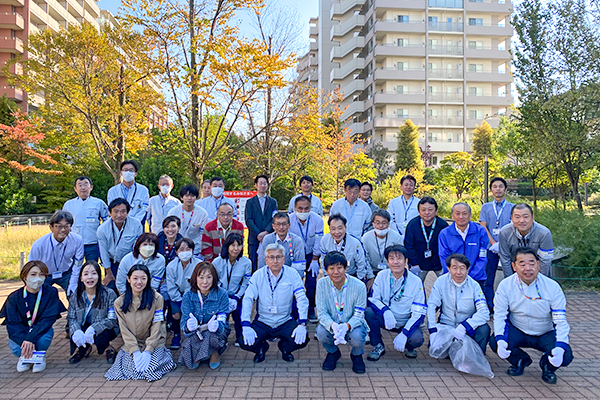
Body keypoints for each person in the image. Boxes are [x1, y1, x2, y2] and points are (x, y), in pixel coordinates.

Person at [490, 247, 573, 384]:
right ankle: (520, 360)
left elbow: (560, 321)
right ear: (514, 266)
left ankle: (547, 366)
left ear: (538, 265)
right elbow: (500, 316)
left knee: (565, 355)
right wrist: (500, 338)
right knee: (495, 341)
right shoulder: (505, 285)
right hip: (519, 329)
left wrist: (560, 346)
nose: (527, 268)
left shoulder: (552, 287)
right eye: (522, 264)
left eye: (532, 263)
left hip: (545, 332)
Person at [238, 243, 310, 363]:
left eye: (278, 257)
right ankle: (261, 348)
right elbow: (248, 299)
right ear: (266, 260)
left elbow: (302, 298)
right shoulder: (258, 275)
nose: (275, 261)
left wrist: (302, 324)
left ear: (284, 259)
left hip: (284, 320)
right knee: (243, 341)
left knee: (302, 339)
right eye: (271, 257)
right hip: (263, 321)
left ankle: (285, 348)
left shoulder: (292, 274)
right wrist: (245, 324)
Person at [105, 265, 176, 382]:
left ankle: (165, 357)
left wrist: (148, 350)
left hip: (155, 341)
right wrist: (135, 351)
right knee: (133, 371)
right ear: (128, 279)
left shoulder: (157, 298)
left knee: (149, 370)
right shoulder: (119, 302)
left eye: (143, 278)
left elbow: (157, 325)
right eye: (135, 278)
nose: (139, 282)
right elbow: (124, 330)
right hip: (133, 343)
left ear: (148, 279)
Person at [0, 261, 66, 373]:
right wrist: (25, 340)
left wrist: (31, 338)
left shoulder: (50, 292)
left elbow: (48, 319)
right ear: (25, 277)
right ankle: (25, 357)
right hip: (21, 331)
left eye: (42, 274)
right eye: (33, 274)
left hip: (40, 329)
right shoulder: (14, 297)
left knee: (44, 338)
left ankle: (39, 357)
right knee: (16, 348)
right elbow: (12, 323)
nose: (38, 278)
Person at [365, 245, 426, 361]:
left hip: (406, 321)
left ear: (406, 261)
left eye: (399, 258)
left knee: (417, 339)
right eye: (391, 258)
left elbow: (420, 313)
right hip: (386, 319)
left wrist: (405, 332)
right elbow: (373, 299)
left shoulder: (416, 281)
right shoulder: (381, 276)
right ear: (387, 262)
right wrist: (385, 311)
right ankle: (378, 345)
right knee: (369, 312)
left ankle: (409, 346)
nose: (395, 262)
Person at [316, 251, 368, 374]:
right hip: (332, 322)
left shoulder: (359, 286)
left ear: (346, 268)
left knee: (357, 337)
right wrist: (332, 325)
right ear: (326, 270)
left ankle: (356, 355)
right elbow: (321, 312)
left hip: (352, 324)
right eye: (331, 268)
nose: (336, 272)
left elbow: (359, 314)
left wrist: (347, 326)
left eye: (339, 268)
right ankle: (333, 352)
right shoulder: (321, 284)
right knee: (321, 333)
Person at [427, 254, 490, 354]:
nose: (458, 272)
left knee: (484, 329)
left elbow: (484, 312)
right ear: (448, 268)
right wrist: (432, 330)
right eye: (454, 268)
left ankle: (476, 356)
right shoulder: (440, 282)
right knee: (438, 350)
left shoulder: (474, 286)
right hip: (446, 325)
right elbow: (431, 305)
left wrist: (465, 326)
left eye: (462, 268)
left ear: (467, 270)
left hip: (467, 328)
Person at [179, 262, 230, 370]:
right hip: (196, 330)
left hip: (214, 331)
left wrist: (218, 325)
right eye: (201, 277)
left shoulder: (222, 294)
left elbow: (223, 318)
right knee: (190, 339)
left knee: (211, 335)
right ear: (195, 278)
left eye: (209, 277)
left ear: (214, 278)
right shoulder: (188, 295)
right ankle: (201, 354)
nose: (205, 282)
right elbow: (183, 322)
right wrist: (188, 326)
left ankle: (214, 353)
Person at [67, 261, 119, 364]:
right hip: (84, 326)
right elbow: (71, 318)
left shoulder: (109, 294)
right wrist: (76, 331)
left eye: (94, 273)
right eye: (86, 274)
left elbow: (112, 319)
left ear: (99, 276)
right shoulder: (75, 296)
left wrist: (94, 328)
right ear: (81, 278)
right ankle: (83, 348)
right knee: (73, 330)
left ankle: (109, 348)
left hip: (104, 328)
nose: (90, 277)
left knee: (101, 335)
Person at [28, 210, 84, 296]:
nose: (63, 230)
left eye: (67, 226)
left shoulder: (77, 240)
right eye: (59, 226)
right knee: (41, 297)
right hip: (45, 275)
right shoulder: (39, 244)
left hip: (66, 273)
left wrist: (73, 284)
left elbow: (78, 264)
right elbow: (30, 266)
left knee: (76, 294)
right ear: (51, 227)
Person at [479, 177, 514, 311]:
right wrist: (493, 243)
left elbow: (513, 226)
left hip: (508, 248)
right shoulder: (486, 207)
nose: (498, 189)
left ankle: (510, 305)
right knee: (488, 278)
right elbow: (483, 226)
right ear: (491, 190)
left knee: (510, 277)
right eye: (495, 186)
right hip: (490, 248)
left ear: (505, 189)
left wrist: (502, 244)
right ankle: (490, 306)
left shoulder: (512, 207)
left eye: (500, 186)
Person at [289, 195, 324, 323]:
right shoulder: (289, 219)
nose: (303, 212)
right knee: (294, 283)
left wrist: (315, 259)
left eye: (306, 208)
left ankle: (310, 310)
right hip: (295, 256)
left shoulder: (317, 219)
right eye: (300, 208)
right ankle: (295, 311)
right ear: (295, 208)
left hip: (311, 255)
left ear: (310, 208)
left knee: (311, 283)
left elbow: (318, 240)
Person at [97, 198, 144, 291]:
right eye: (116, 211)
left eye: (123, 211)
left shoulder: (136, 224)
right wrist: (109, 273)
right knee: (111, 288)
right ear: (110, 213)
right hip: (113, 263)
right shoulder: (102, 229)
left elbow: (138, 248)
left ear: (127, 212)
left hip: (131, 261)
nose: (119, 215)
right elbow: (103, 252)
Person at [212, 233, 252, 340]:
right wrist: (224, 296)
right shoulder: (217, 261)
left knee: (239, 315)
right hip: (220, 295)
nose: (236, 248)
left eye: (238, 245)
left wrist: (236, 297)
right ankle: (221, 337)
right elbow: (215, 282)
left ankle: (240, 336)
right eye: (233, 245)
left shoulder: (246, 262)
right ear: (227, 246)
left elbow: (245, 283)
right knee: (220, 317)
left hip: (237, 295)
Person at [438, 202, 489, 286]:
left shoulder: (480, 231)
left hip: (476, 279)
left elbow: (482, 257)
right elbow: (444, 257)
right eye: (457, 214)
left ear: (470, 215)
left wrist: (469, 277)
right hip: (452, 279)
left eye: (464, 213)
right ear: (452, 216)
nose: (461, 217)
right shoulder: (444, 234)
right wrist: (456, 275)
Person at [498, 203, 554, 277]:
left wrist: (539, 281)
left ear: (532, 217)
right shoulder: (504, 233)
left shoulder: (544, 233)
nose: (521, 221)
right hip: (515, 271)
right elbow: (505, 259)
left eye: (526, 217)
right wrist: (510, 281)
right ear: (511, 218)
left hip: (538, 272)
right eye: (517, 217)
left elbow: (545, 261)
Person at [62, 176, 109, 262]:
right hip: (74, 243)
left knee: (92, 267)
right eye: (80, 185)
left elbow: (107, 221)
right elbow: (63, 223)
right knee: (75, 268)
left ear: (91, 187)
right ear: (75, 189)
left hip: (93, 243)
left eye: (86, 184)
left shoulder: (99, 203)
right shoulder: (68, 205)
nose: (83, 187)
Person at [165, 238, 201, 350]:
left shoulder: (199, 264)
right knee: (176, 315)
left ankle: (195, 334)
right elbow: (171, 287)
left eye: (188, 249)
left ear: (193, 250)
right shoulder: (171, 266)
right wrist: (180, 300)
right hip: (176, 296)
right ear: (176, 252)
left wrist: (187, 300)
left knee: (195, 314)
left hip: (194, 295)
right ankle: (176, 335)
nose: (185, 251)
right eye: (181, 249)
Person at [404, 197, 449, 282]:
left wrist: (445, 263)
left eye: (430, 210)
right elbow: (409, 245)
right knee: (416, 287)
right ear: (419, 211)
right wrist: (414, 263)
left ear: (436, 211)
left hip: (439, 262)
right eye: (423, 210)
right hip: (418, 263)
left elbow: (447, 245)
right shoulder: (412, 225)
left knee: (445, 285)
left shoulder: (443, 225)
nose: (427, 213)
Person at [320, 215, 372, 288]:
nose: (337, 232)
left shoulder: (355, 243)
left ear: (345, 228)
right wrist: (328, 277)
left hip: (351, 277)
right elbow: (323, 260)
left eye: (340, 228)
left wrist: (358, 282)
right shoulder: (324, 240)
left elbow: (361, 264)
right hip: (332, 277)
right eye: (333, 229)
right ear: (329, 229)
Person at [245, 175, 278, 271]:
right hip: (254, 239)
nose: (262, 186)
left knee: (270, 262)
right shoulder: (250, 202)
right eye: (260, 183)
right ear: (256, 185)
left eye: (265, 183)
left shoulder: (273, 202)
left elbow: (274, 218)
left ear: (267, 185)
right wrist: (258, 234)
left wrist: (266, 232)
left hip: (270, 236)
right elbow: (249, 220)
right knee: (253, 264)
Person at [167, 184, 209, 256]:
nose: (189, 198)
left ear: (196, 198)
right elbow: (168, 230)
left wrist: (197, 250)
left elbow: (202, 235)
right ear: (181, 197)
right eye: (186, 196)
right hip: (176, 247)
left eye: (192, 196)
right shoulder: (173, 212)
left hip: (195, 249)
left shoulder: (202, 213)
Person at [361, 209, 403, 277]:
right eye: (377, 223)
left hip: (391, 271)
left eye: (384, 223)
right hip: (372, 271)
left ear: (388, 223)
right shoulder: (365, 238)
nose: (381, 226)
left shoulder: (396, 237)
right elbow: (365, 260)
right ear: (373, 224)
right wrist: (370, 277)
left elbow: (400, 257)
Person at [387, 175, 420, 241]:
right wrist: (397, 234)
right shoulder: (393, 202)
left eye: (411, 185)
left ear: (414, 187)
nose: (408, 187)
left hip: (414, 236)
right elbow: (390, 219)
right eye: (406, 185)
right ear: (401, 186)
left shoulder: (419, 202)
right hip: (396, 235)